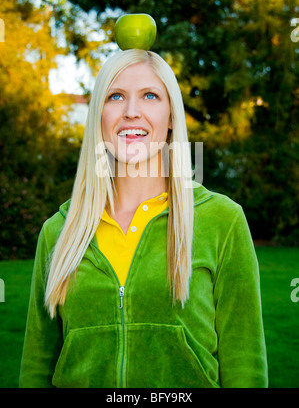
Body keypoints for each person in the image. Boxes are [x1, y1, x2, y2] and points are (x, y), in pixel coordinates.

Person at [19, 49, 268, 388]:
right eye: (115, 96)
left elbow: (245, 366)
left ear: (170, 118)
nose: (131, 112)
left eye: (150, 96)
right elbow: (36, 368)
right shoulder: (59, 231)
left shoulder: (222, 220)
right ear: (99, 117)